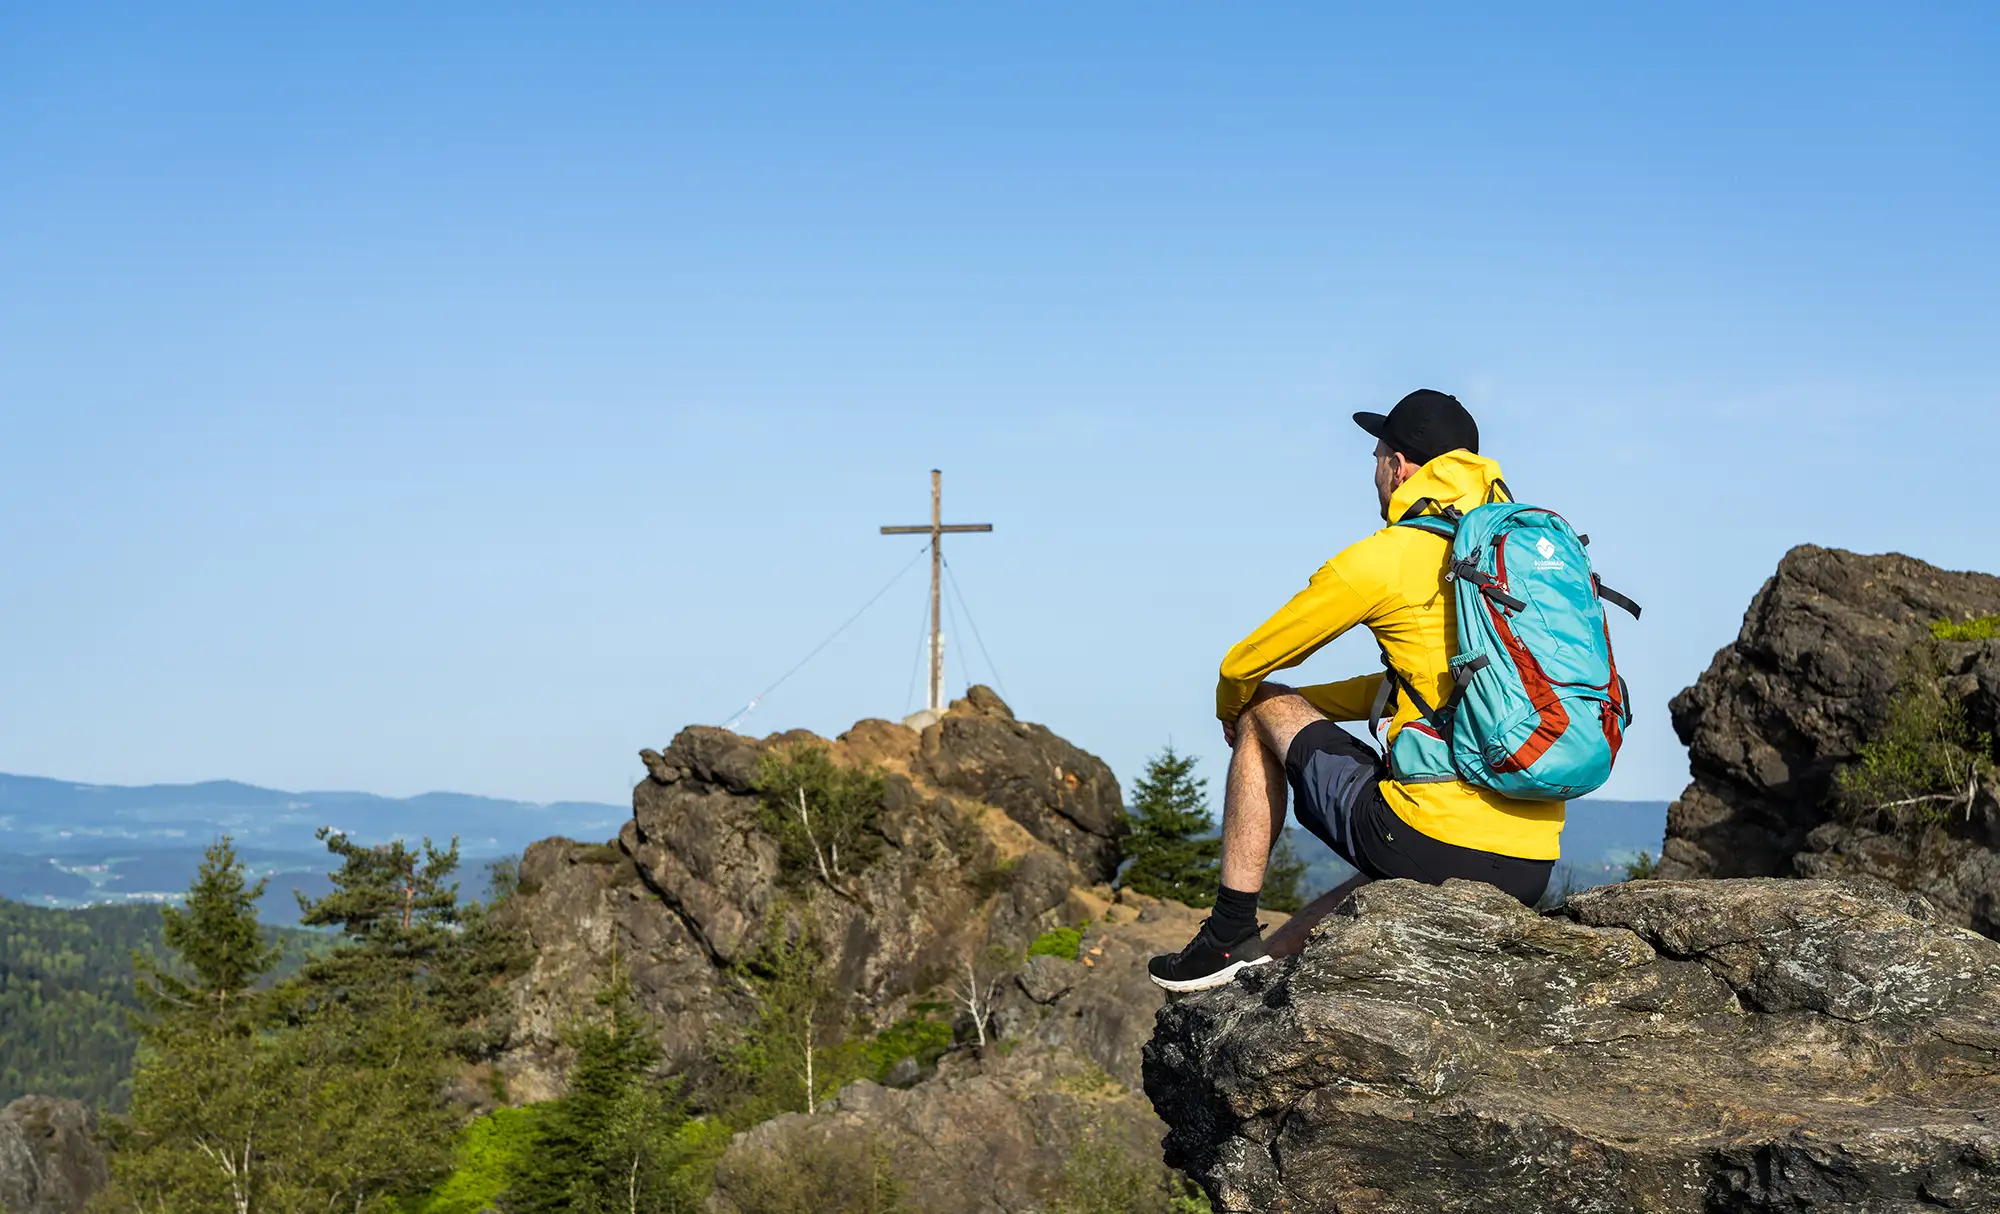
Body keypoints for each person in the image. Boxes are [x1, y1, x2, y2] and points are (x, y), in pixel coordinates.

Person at [1148, 389, 1559, 992]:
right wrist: (1307, 702)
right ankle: (1252, 972)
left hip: (1437, 844)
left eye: (1376, 456)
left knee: (1262, 701)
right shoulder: (1508, 566)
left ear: (1402, 466)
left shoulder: (1388, 558)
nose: (1374, 472)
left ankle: (1228, 929)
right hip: (1530, 862)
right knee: (1364, 890)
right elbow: (1411, 689)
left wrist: (1246, 710)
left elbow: (1243, 663)